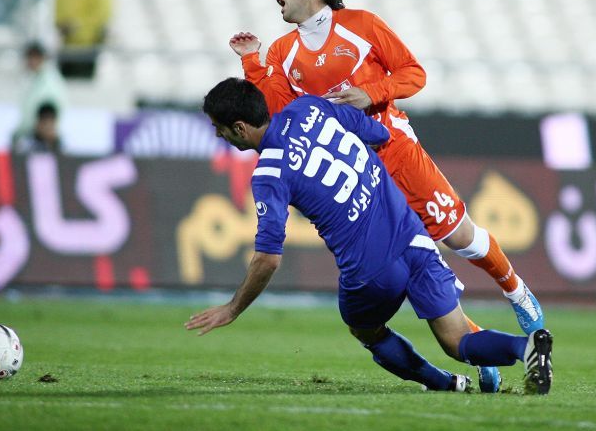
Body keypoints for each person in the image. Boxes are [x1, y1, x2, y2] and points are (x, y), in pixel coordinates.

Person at [228, 0, 544, 338]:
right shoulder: (282, 51)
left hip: (393, 148)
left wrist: (371, 93)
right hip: (352, 171)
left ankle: (517, 291)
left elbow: (413, 74)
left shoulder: (361, 25)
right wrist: (252, 61)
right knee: (411, 262)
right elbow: (277, 111)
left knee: (457, 235)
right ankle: (476, 348)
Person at [186, 78, 553, 396]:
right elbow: (379, 134)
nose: (218, 135)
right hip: (414, 239)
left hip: (370, 270)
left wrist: (232, 308)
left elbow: (267, 258)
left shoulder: (269, 173)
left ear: (239, 127)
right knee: (458, 341)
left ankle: (443, 383)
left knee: (364, 328)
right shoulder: (308, 108)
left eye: (219, 128)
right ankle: (526, 349)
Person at [12, 41, 67, 145]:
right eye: (29, 57)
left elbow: (48, 112)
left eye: (35, 57)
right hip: (31, 135)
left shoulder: (49, 80)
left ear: (43, 58)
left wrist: (44, 131)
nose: (31, 61)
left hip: (42, 139)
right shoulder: (34, 79)